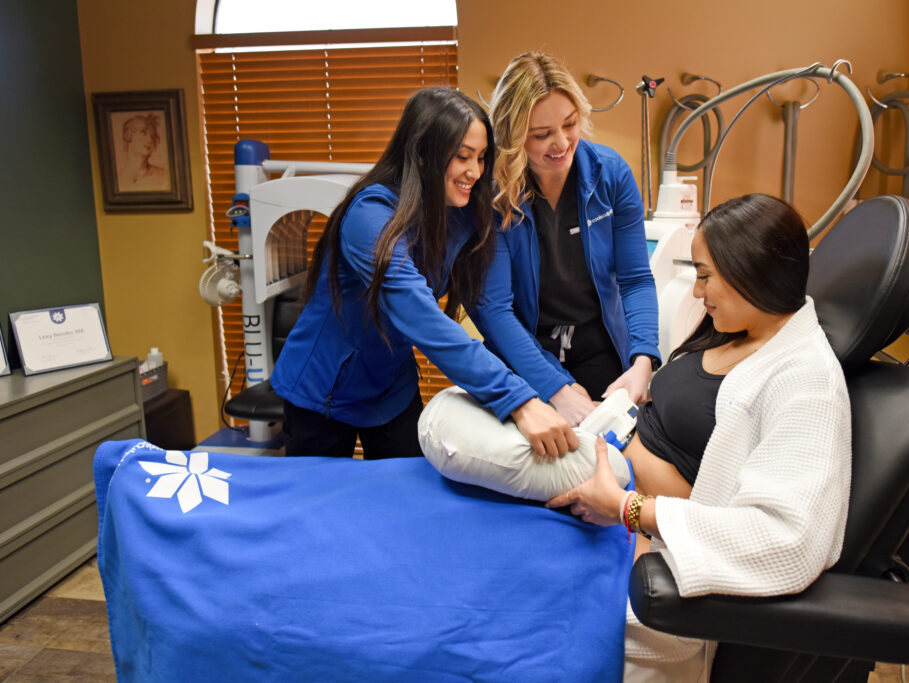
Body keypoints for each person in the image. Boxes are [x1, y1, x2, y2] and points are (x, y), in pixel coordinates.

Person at [546, 193, 852, 678]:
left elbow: (787, 540)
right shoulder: (738, 330)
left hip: (643, 543)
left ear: (751, 270)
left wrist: (628, 509)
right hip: (614, 493)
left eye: (705, 275)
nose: (696, 291)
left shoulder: (807, 381)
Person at [270, 87, 577, 461]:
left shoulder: (465, 213)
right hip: (322, 391)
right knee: (322, 496)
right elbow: (422, 318)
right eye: (462, 156)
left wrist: (555, 387)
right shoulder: (369, 217)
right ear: (421, 153)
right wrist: (517, 401)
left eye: (481, 157)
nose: (475, 171)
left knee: (410, 491)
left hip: (391, 388)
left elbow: (493, 312)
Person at [470, 52, 660, 428]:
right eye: (541, 134)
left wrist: (643, 359)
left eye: (570, 124)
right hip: (526, 358)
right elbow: (495, 310)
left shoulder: (611, 175)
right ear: (512, 135)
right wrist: (556, 388)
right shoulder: (492, 195)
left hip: (600, 353)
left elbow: (636, 279)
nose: (561, 143)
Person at [117, 113, 170, 192]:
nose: (150, 140)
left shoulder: (163, 176)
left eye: (153, 136)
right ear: (128, 135)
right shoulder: (118, 177)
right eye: (143, 133)